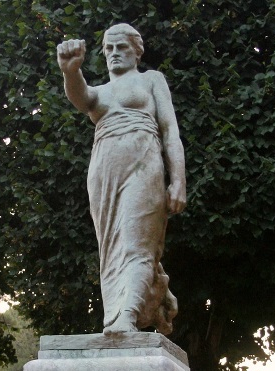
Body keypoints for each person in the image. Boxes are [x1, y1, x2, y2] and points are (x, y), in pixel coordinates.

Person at [57, 23, 186, 335]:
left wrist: (178, 180)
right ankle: (126, 308)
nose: (114, 53)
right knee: (111, 249)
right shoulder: (99, 92)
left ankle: (126, 316)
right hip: (104, 170)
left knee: (137, 245)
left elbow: (170, 131)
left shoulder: (151, 80)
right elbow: (81, 97)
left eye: (122, 47)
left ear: (137, 52)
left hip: (144, 164)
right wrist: (70, 72)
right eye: (109, 49)